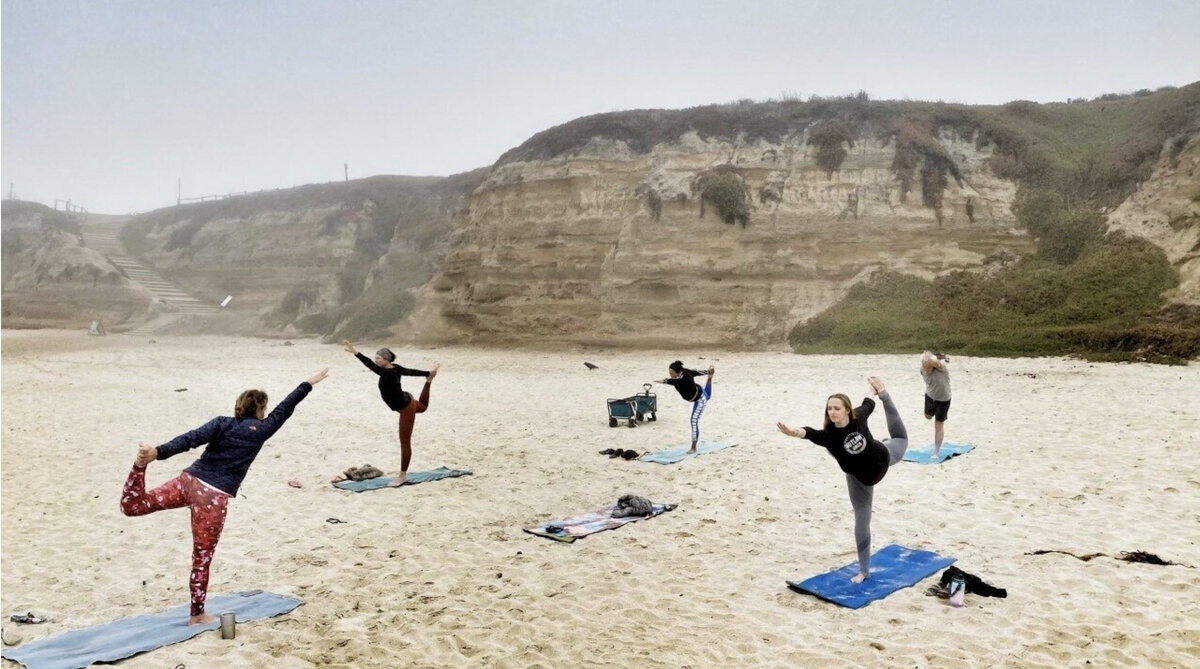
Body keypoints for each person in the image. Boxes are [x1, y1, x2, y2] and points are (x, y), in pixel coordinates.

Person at [120, 368, 329, 625]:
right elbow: (286, 407)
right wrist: (307, 384)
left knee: (133, 506)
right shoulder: (263, 429)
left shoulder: (221, 422)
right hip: (212, 498)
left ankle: (138, 467)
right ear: (260, 409)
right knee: (202, 555)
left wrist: (157, 453)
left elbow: (190, 439)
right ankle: (197, 615)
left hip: (188, 482)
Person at [777, 376, 908, 583]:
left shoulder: (858, 417)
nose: (832, 412)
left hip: (882, 459)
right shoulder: (829, 435)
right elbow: (810, 433)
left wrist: (876, 391)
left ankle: (886, 393)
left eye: (836, 408)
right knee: (862, 519)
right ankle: (864, 570)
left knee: (901, 439)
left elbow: (868, 403)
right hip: (858, 479)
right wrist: (794, 432)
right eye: (829, 408)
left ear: (847, 410)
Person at [342, 341, 439, 486]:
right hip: (407, 400)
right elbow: (410, 371)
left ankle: (402, 476)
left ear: (386, 360)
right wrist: (427, 374)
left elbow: (370, 365)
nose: (376, 361)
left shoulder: (387, 372)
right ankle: (429, 381)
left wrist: (357, 353)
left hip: (405, 407)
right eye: (375, 358)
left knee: (405, 442)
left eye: (378, 358)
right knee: (423, 407)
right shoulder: (395, 368)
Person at [653, 361, 715, 453]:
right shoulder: (683, 372)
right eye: (670, 373)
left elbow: (671, 381)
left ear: (678, 372)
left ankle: (693, 447)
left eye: (672, 373)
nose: (670, 375)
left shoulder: (684, 379)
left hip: (699, 399)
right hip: (699, 390)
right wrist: (707, 372)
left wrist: (662, 381)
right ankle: (710, 378)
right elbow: (695, 372)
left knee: (694, 421)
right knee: (707, 397)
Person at [921, 351, 951, 459]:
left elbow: (937, 362)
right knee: (927, 416)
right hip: (930, 396)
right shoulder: (922, 369)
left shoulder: (941, 367)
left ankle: (936, 452)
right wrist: (925, 357)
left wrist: (936, 358)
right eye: (923, 364)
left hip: (943, 399)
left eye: (927, 364)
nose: (925, 367)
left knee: (938, 425)